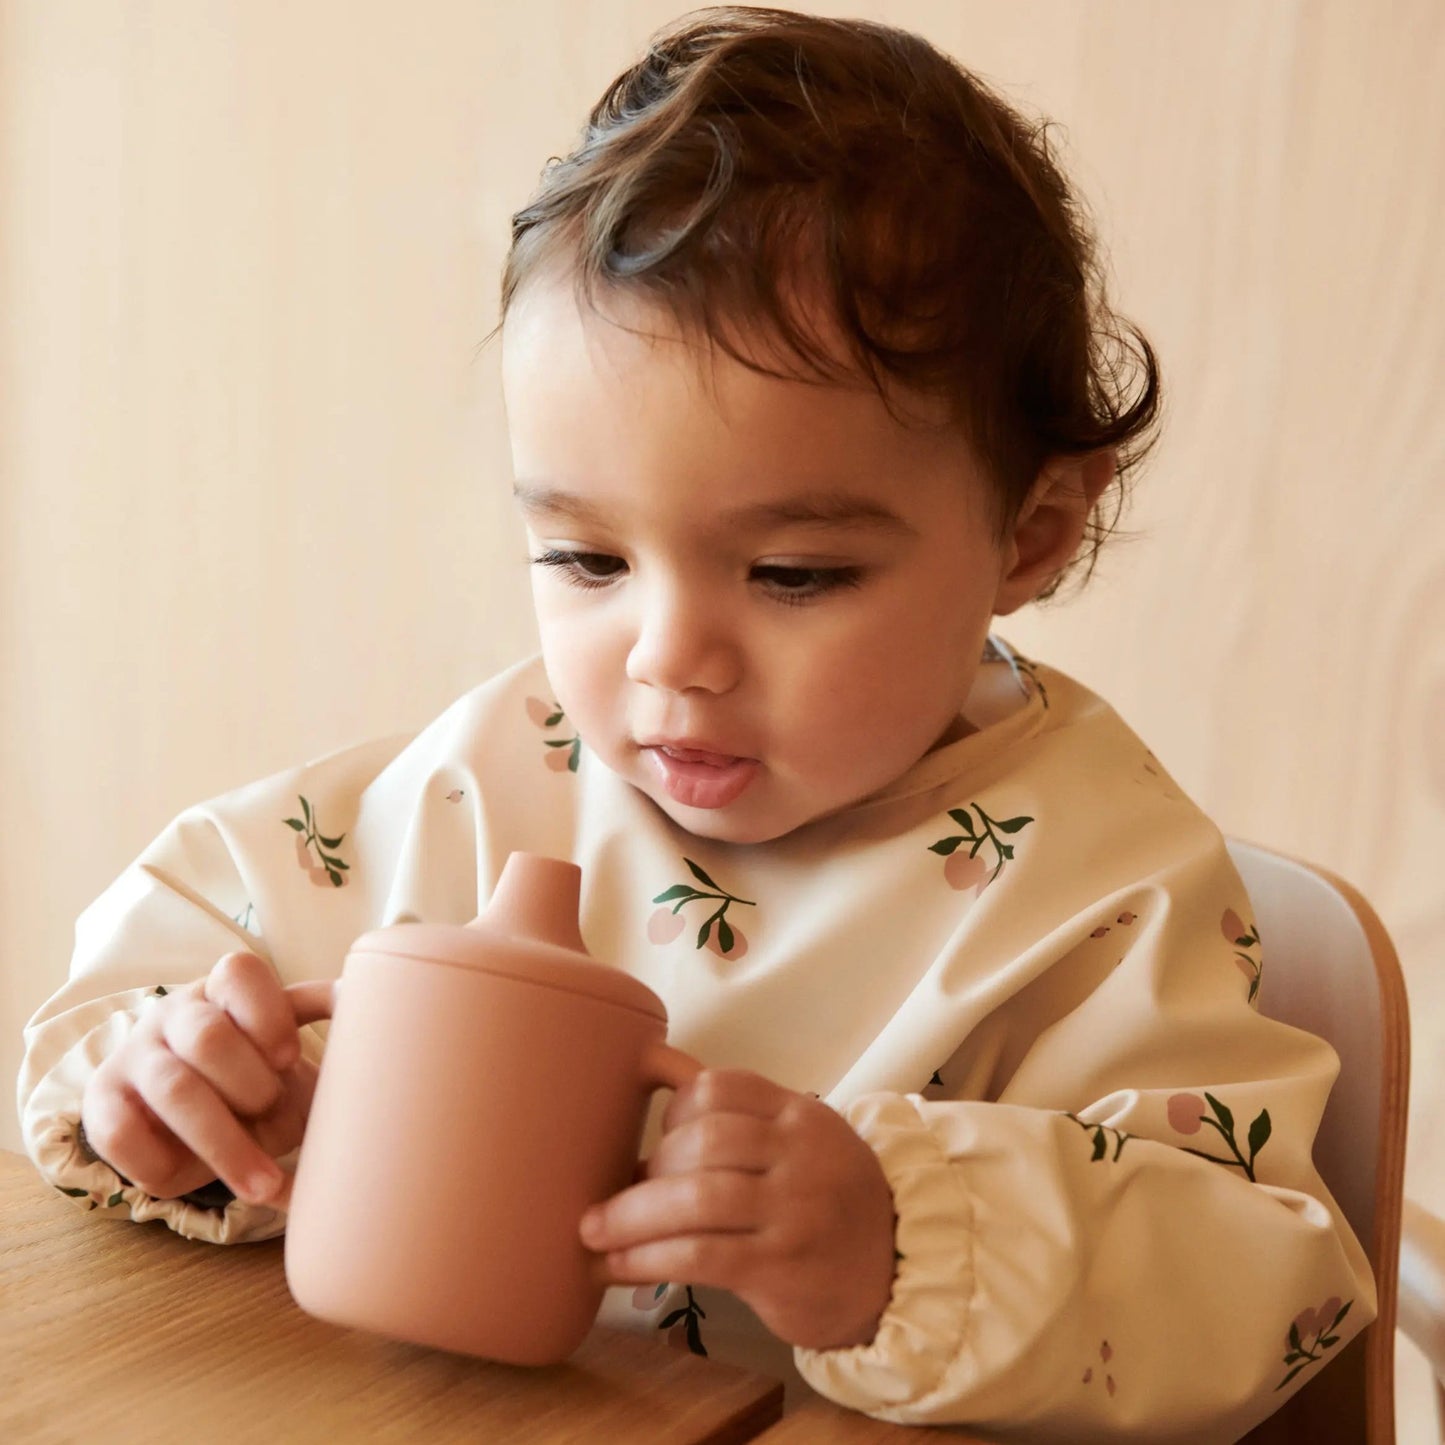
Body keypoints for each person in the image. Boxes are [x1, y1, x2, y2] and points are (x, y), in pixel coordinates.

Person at [18, 7, 1371, 1438]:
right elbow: (162, 965)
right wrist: (175, 1091)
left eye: (792, 573)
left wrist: (901, 1240)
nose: (667, 660)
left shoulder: (1099, 890)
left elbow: (1256, 1284)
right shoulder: (498, 777)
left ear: (1028, 533)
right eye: (588, 561)